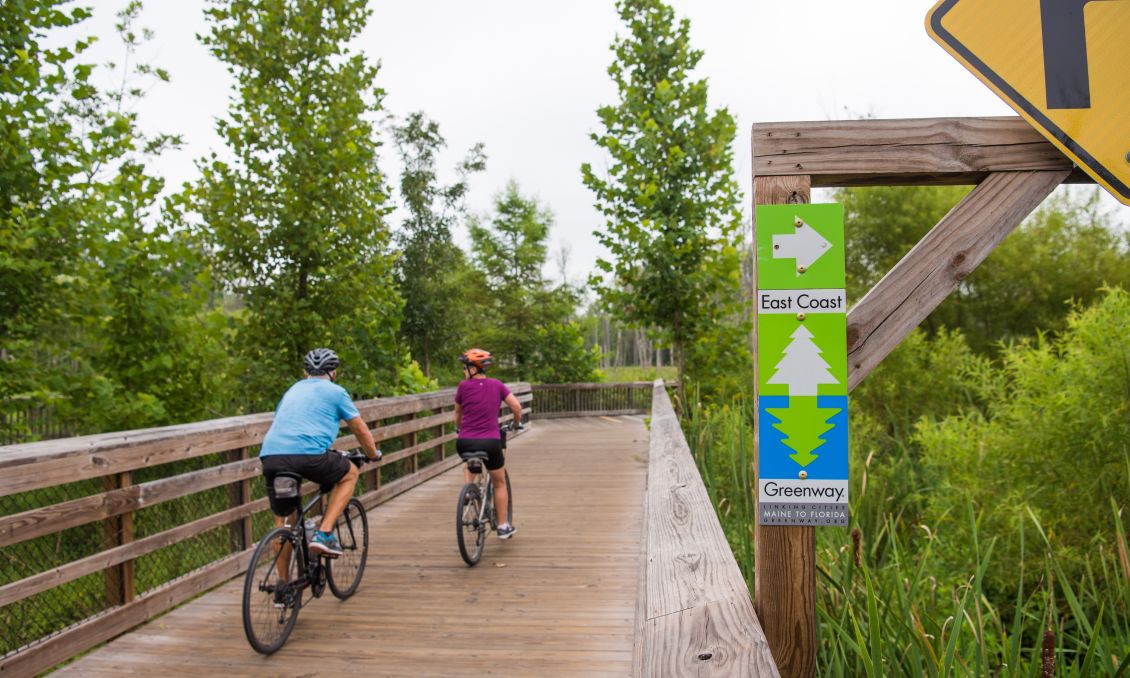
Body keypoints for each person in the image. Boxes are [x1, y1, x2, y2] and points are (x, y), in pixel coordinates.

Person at [260, 348, 381, 557]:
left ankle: (284, 576)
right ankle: (324, 534)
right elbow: (360, 430)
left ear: (305, 373)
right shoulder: (336, 392)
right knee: (350, 473)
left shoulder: (292, 390)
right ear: (334, 373)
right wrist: (373, 454)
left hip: (271, 456)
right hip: (308, 455)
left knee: (284, 523)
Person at [454, 348, 523, 539]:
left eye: (465, 367)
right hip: (491, 442)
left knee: (469, 461)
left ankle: (468, 490)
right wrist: (516, 424)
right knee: (499, 482)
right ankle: (502, 526)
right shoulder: (497, 385)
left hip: (465, 441)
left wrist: (458, 428)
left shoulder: (463, 387)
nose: (463, 371)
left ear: (473, 369)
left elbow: (458, 413)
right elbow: (516, 407)